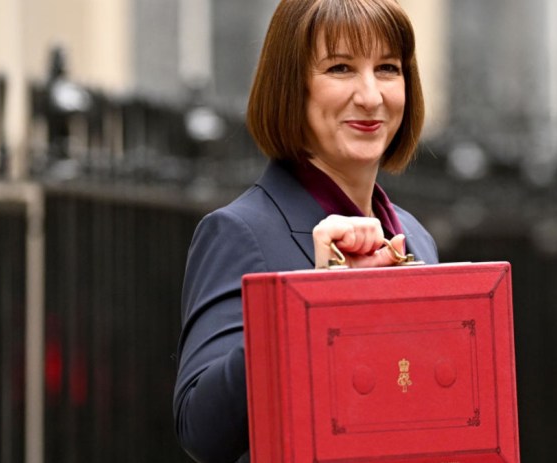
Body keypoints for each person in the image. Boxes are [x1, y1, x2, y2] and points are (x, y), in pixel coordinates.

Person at [173, 0, 438, 461]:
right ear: (291, 85)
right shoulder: (239, 231)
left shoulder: (416, 237)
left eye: (387, 68)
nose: (371, 96)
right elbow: (201, 429)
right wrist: (312, 300)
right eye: (340, 68)